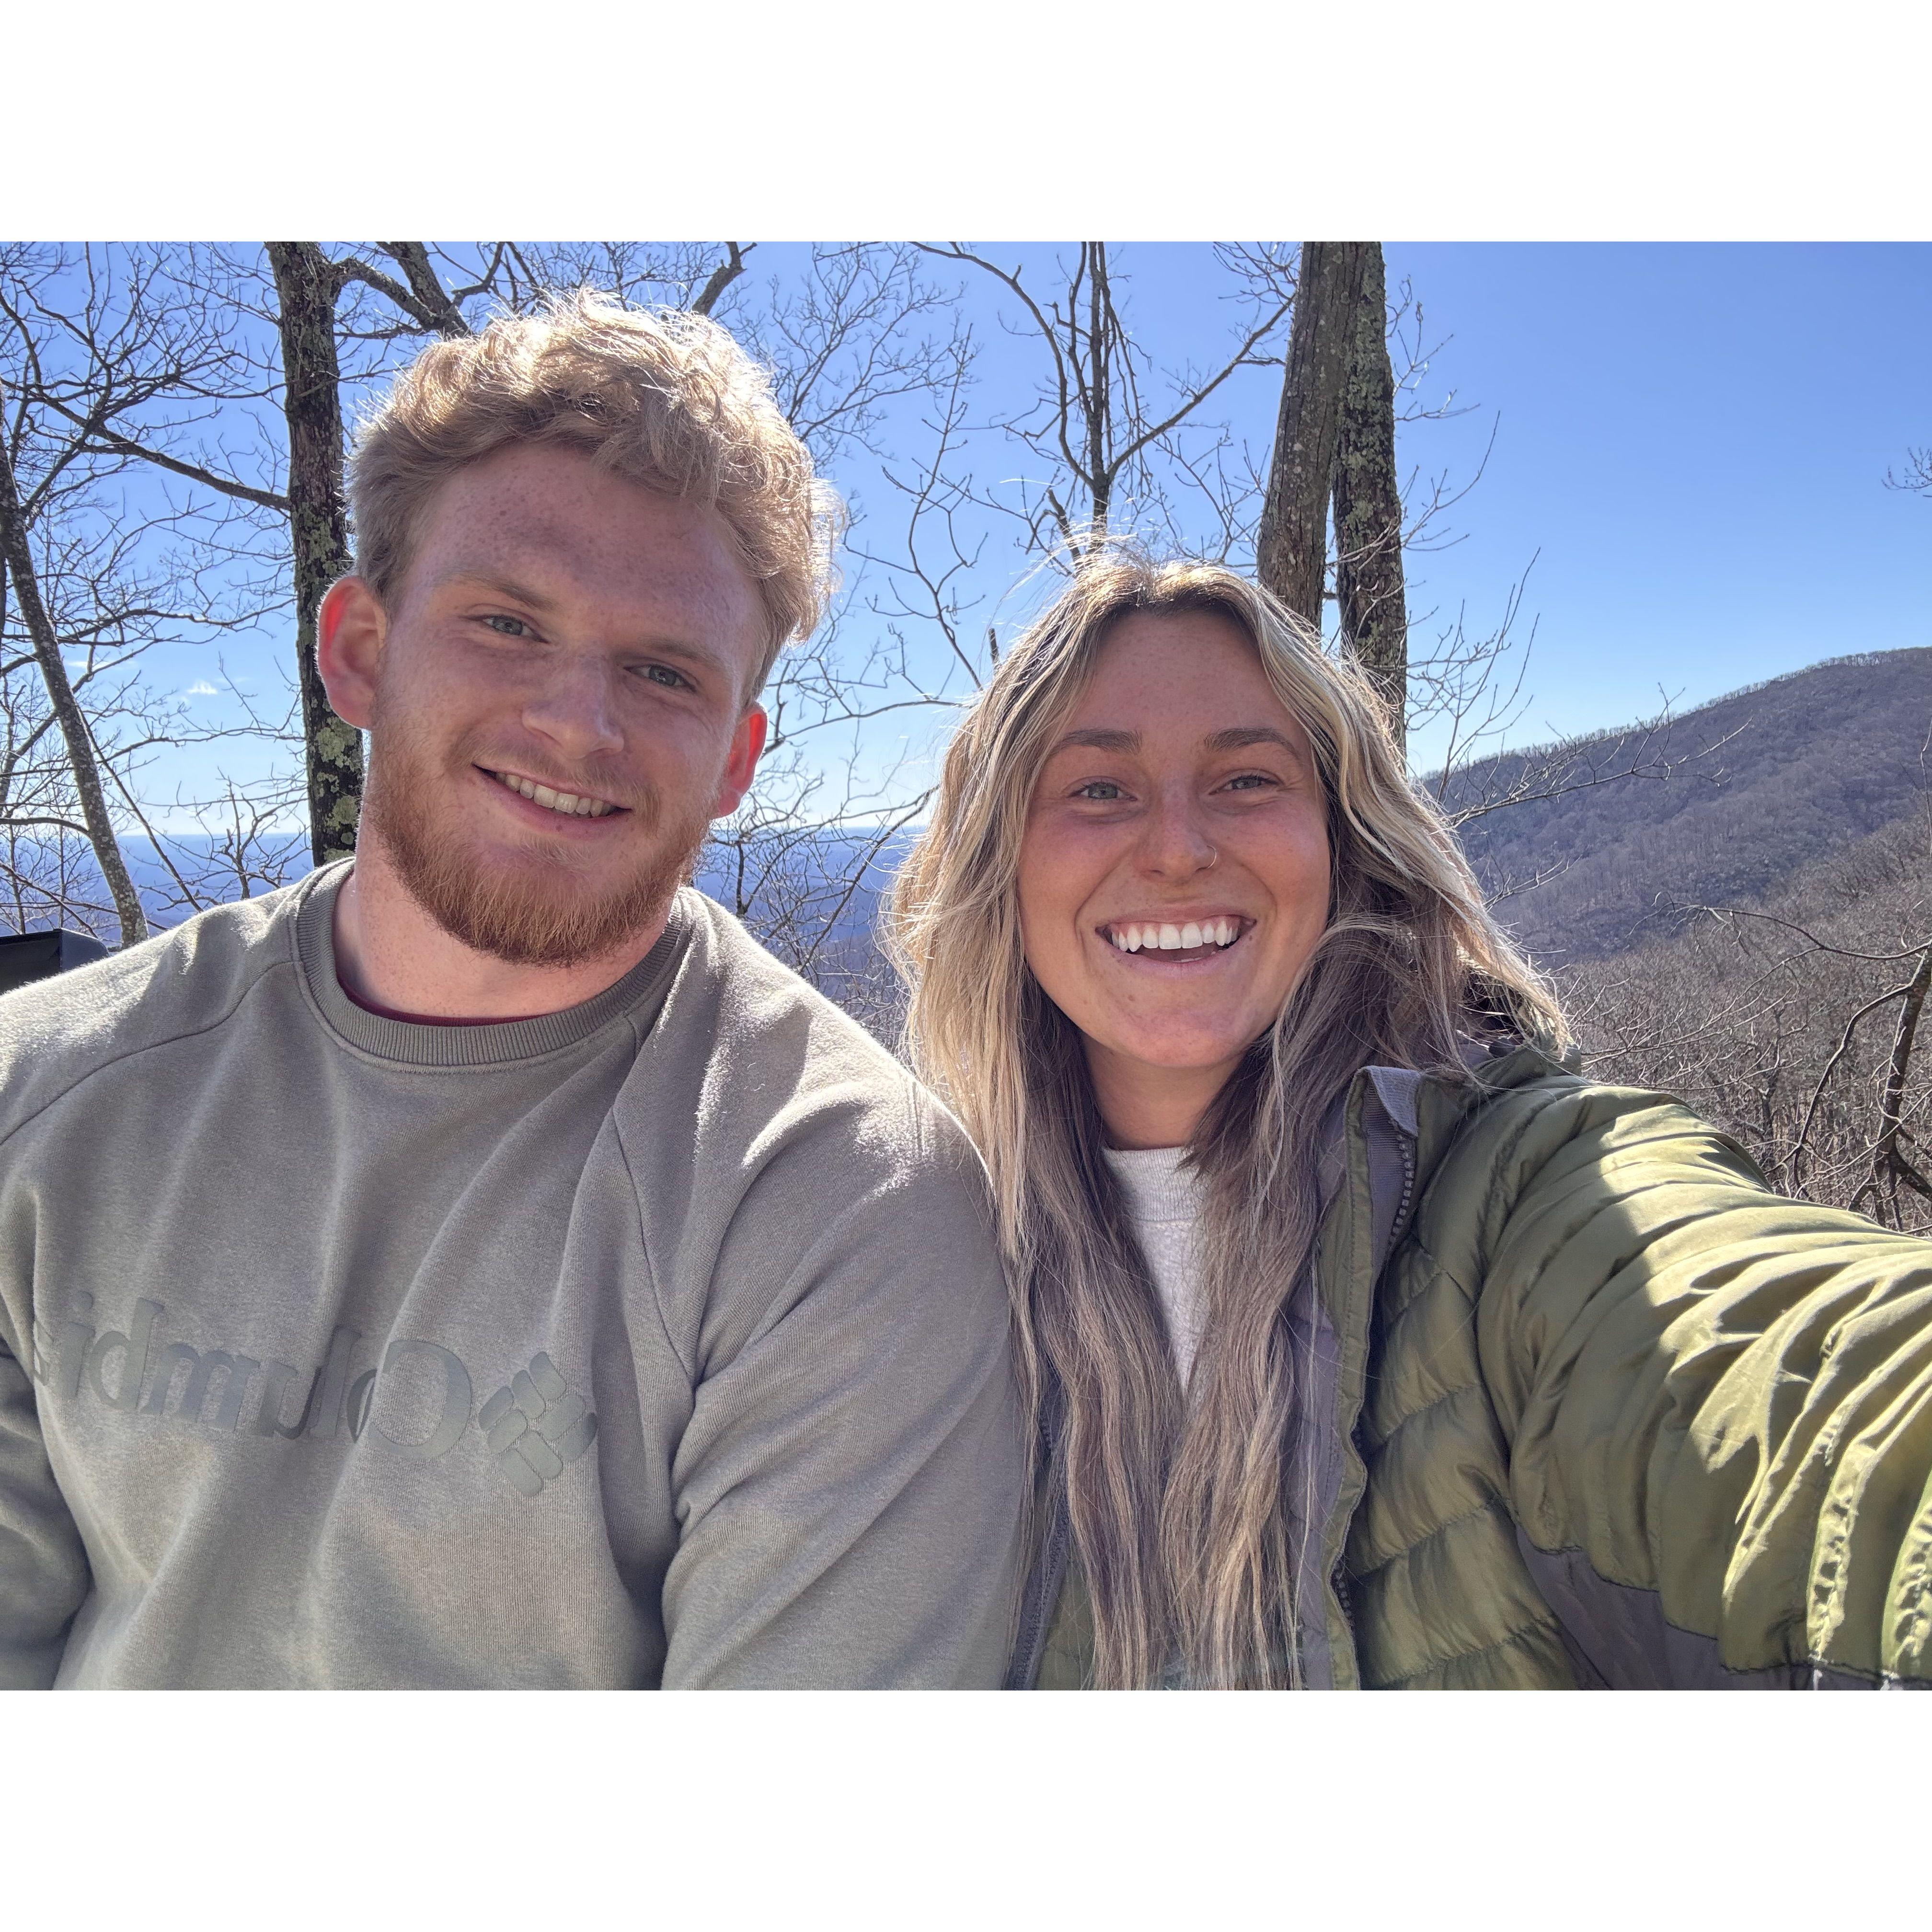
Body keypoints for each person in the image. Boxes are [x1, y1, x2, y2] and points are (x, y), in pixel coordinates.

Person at [0, 293, 1024, 1690]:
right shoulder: (46, 1099)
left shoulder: (834, 1197)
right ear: (360, 650)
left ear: (736, 760)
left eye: (663, 671)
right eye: (508, 623)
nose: (577, 723)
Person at [890, 543, 1932, 1690]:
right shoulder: (907, 1255)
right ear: (1000, 859)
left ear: (1342, 843)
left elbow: (1794, 1367)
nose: (1178, 849)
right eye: (1099, 789)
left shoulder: (1526, 1197)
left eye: (1247, 780)